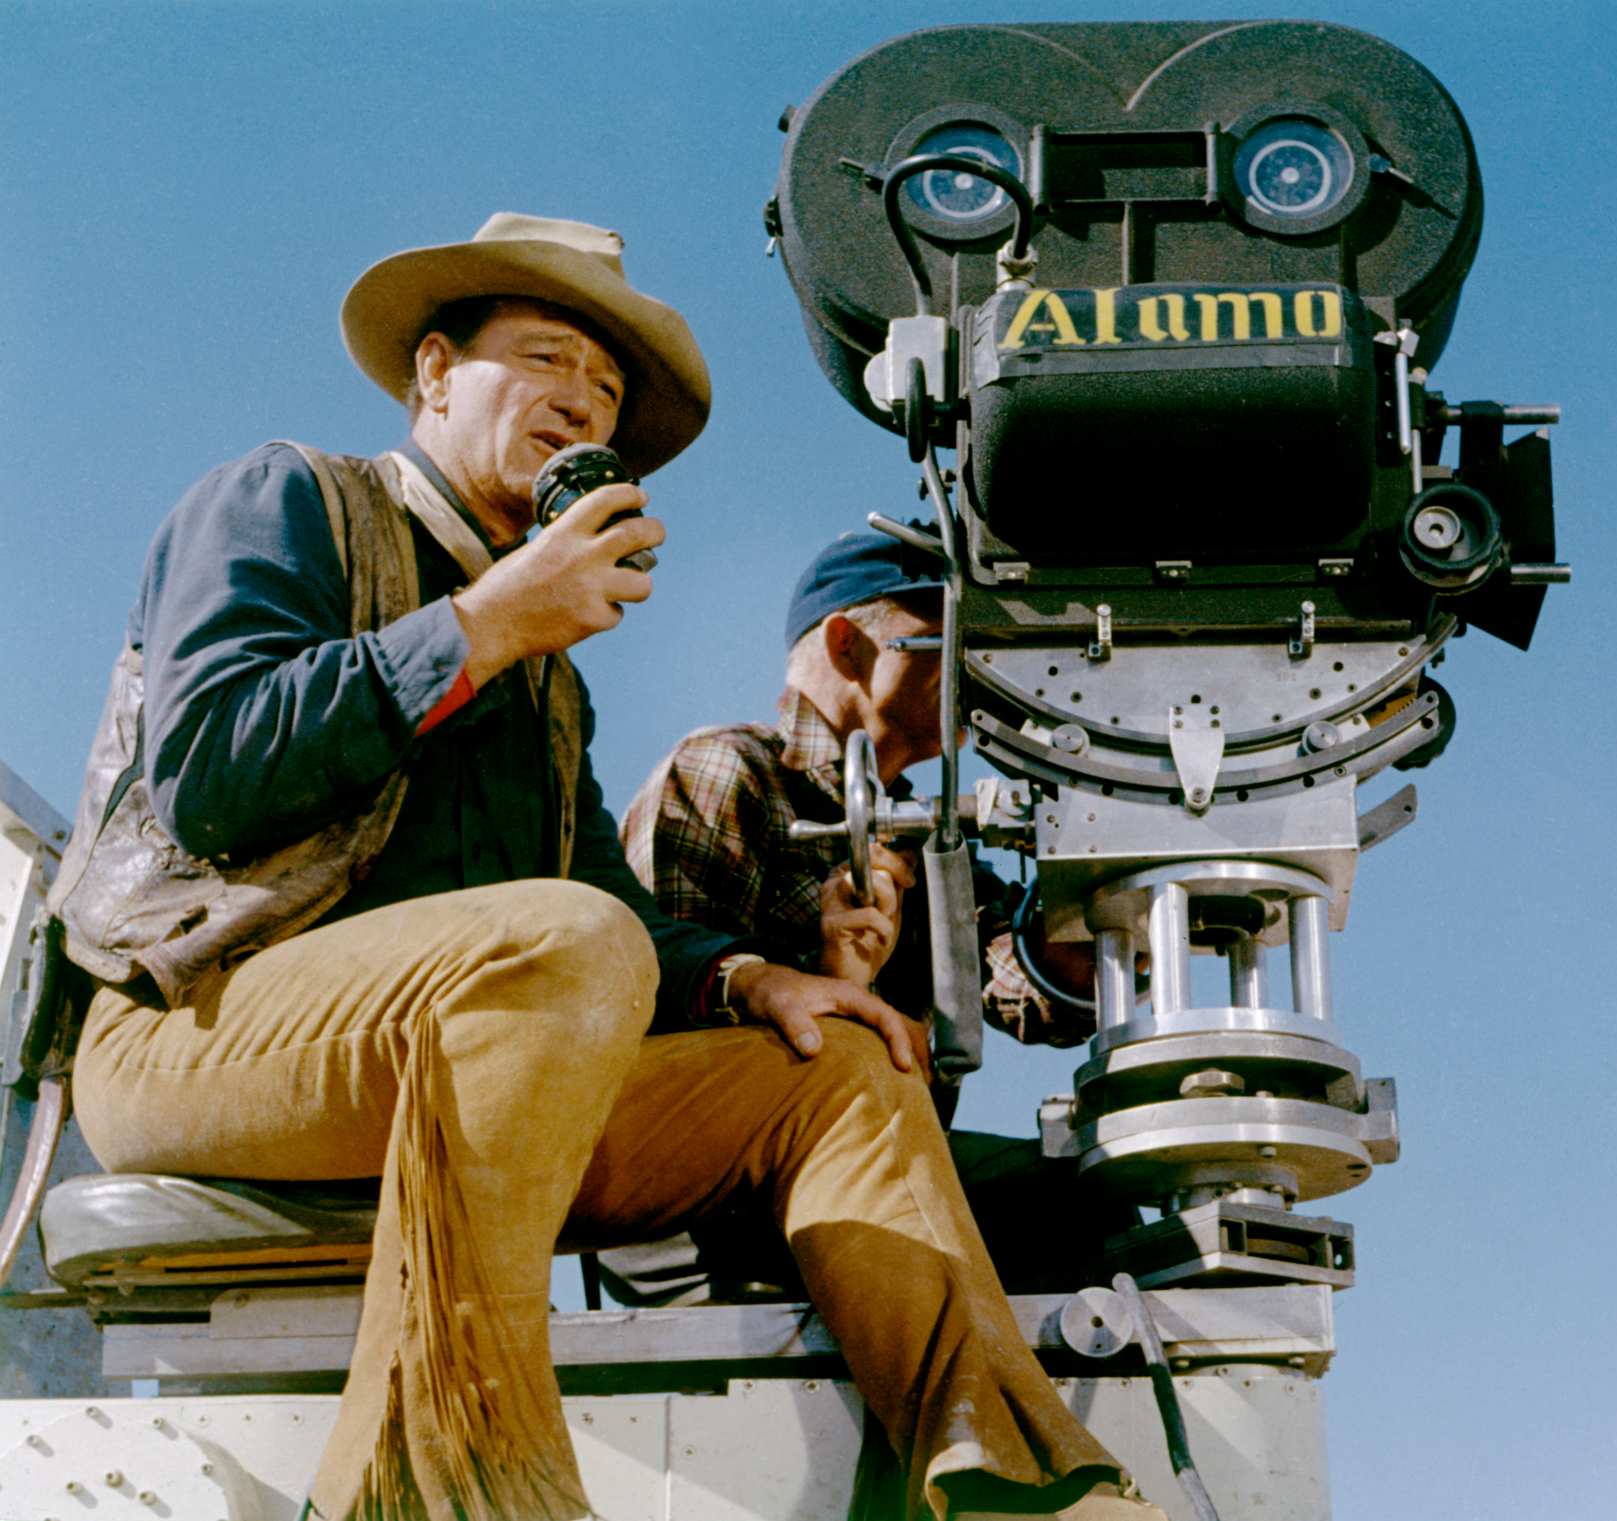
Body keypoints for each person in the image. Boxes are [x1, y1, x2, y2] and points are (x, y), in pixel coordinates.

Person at [46, 212, 1163, 1521]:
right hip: (197, 1036)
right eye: (548, 360)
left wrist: (751, 981)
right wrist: (481, 625)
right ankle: (457, 1489)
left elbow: (628, 921)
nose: (582, 404)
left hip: (492, 1066)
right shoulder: (294, 501)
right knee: (567, 940)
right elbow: (210, 772)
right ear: (433, 374)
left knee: (840, 1063)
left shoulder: (552, 687)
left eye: (608, 392)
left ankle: (1009, 1487)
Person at [611, 531, 1123, 1302]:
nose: (977, 670)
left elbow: (1030, 990)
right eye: (950, 639)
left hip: (863, 1159)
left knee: (1093, 1193)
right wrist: (825, 977)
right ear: (847, 645)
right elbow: (665, 1038)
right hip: (717, 1206)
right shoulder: (726, 772)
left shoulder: (923, 834)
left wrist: (1102, 890)